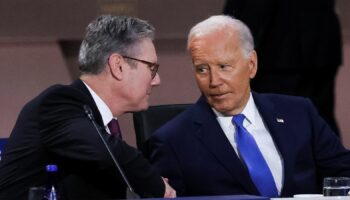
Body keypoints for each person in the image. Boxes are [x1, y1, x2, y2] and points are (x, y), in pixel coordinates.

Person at [149, 15, 350, 198]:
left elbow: (343, 173)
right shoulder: (172, 141)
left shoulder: (299, 113)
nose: (214, 81)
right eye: (202, 69)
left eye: (223, 67)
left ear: (251, 64)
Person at [0, 15, 176, 200]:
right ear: (118, 66)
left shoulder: (99, 123)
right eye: (151, 68)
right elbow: (105, 153)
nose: (156, 80)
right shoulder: (57, 103)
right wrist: (155, 183)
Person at [223, 0, 342, 136]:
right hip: (319, 44)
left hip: (278, 51)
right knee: (318, 123)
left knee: (280, 129)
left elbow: (255, 10)